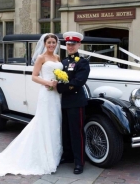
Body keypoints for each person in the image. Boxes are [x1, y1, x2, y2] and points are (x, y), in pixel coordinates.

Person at [0, 33, 63, 176]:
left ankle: (55, 152)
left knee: (55, 122)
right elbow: (34, 76)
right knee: (44, 121)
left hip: (57, 94)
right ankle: (44, 155)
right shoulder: (41, 58)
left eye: (54, 42)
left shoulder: (57, 58)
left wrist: (59, 82)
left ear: (56, 44)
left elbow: (58, 72)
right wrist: (47, 83)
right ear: (44, 44)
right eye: (49, 42)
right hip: (47, 92)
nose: (51, 45)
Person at [56, 31, 90, 174]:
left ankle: (79, 162)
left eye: (73, 44)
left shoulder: (82, 62)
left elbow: (78, 82)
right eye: (68, 44)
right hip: (63, 102)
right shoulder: (63, 62)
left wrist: (59, 87)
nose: (70, 46)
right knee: (65, 131)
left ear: (79, 44)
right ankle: (68, 156)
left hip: (76, 101)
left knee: (76, 133)